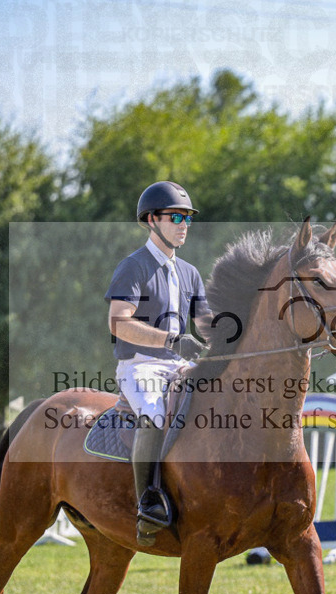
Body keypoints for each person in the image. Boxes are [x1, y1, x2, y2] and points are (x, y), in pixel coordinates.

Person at [105, 181, 211, 545]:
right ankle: (148, 502)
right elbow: (118, 322)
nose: (184, 224)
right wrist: (169, 339)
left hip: (178, 367)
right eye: (176, 217)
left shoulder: (190, 273)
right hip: (141, 366)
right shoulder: (133, 266)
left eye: (188, 219)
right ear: (152, 220)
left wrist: (244, 333)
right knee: (154, 411)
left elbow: (205, 323)